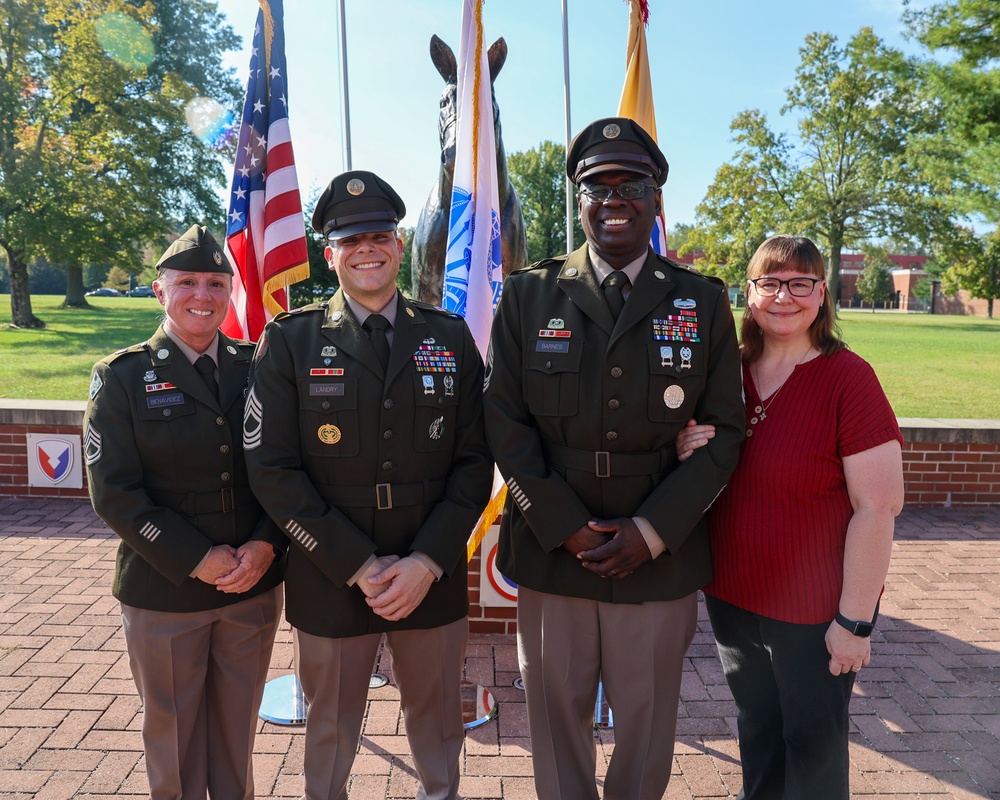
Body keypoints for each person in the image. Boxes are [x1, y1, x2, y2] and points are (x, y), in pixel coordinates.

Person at [482, 117, 746, 800]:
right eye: (597, 186)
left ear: (656, 198)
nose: (614, 198)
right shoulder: (527, 294)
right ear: (578, 201)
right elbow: (504, 421)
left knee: (648, 720)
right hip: (551, 546)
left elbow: (725, 433)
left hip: (658, 551)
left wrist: (652, 531)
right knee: (555, 716)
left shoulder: (702, 300)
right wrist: (561, 521)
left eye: (632, 184)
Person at [243, 170, 493, 800]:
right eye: (350, 239)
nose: (367, 249)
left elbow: (472, 463)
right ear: (329, 252)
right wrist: (356, 564)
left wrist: (428, 562)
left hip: (426, 570)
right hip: (329, 572)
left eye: (380, 235)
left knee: (438, 727)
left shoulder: (449, 335)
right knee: (328, 733)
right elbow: (272, 469)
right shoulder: (290, 340)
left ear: (401, 244)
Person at [676, 234, 905, 800]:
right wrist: (686, 445)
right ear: (748, 294)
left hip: (813, 609)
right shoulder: (727, 372)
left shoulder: (848, 378)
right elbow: (707, 469)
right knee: (759, 733)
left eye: (800, 283)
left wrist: (854, 623)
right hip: (732, 596)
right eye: (770, 282)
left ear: (821, 294)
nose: (785, 295)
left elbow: (878, 507)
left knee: (813, 746)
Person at [83, 225, 284, 800]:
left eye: (217, 283)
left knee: (235, 732)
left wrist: (266, 544)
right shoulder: (120, 377)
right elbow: (114, 492)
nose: (204, 294)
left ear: (231, 292)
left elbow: (286, 470)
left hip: (252, 581)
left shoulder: (257, 366)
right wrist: (196, 558)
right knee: (172, 737)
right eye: (188, 281)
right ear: (158, 291)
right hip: (165, 590)